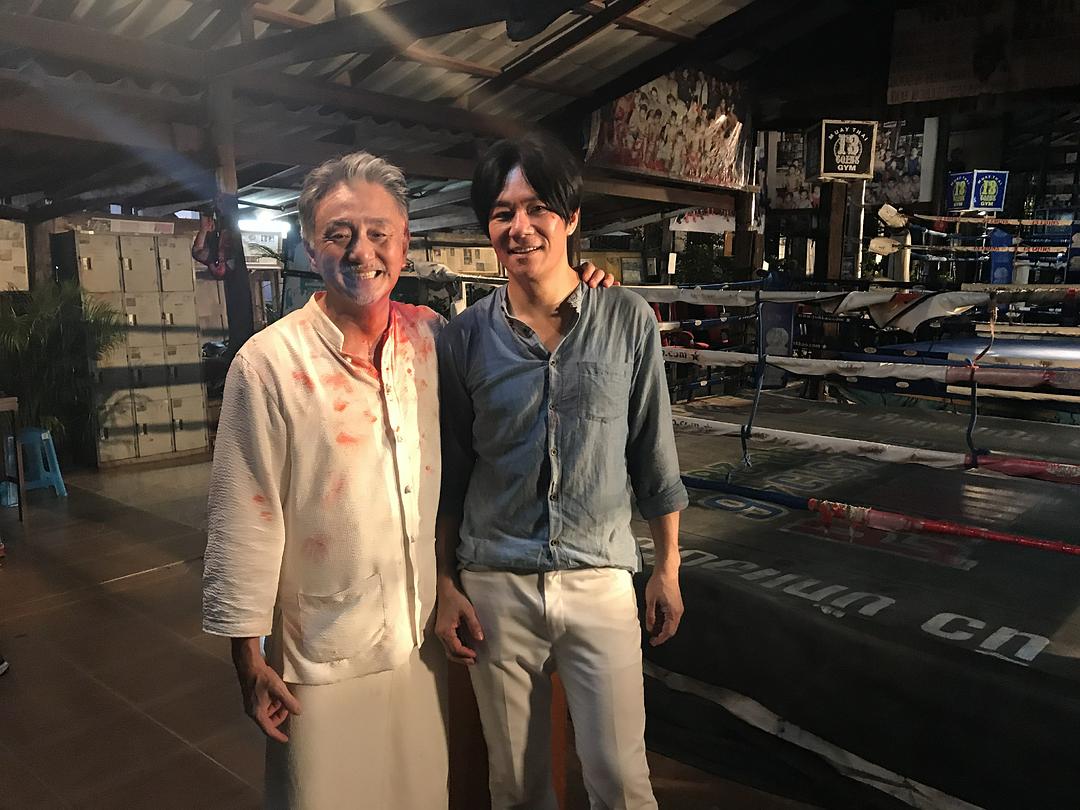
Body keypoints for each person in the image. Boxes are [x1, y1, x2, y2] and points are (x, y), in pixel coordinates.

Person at [202, 150, 614, 810]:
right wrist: (247, 656)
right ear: (309, 243)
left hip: (418, 632)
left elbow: (490, 426)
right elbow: (245, 517)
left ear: (405, 243)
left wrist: (584, 290)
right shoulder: (269, 364)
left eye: (379, 233)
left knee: (417, 791)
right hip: (321, 644)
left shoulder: (431, 338)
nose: (360, 251)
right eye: (339, 233)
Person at [434, 133, 688, 810]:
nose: (520, 226)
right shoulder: (462, 338)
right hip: (496, 584)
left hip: (599, 576)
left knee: (622, 782)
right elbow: (453, 474)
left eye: (537, 207)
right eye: (502, 212)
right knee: (516, 787)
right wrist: (445, 583)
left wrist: (667, 566)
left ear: (571, 218)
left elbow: (654, 454)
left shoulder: (627, 320)